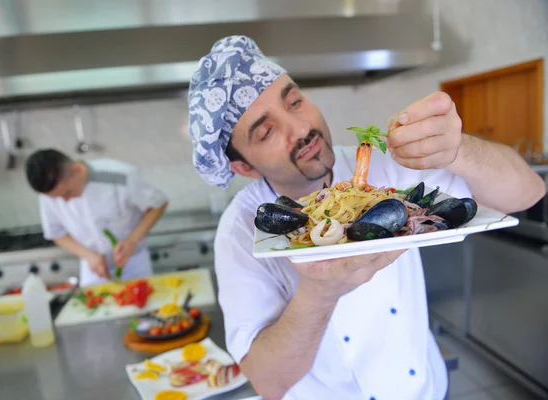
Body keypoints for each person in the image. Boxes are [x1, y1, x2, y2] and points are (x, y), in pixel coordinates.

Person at [187, 36, 545, 400]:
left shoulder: (388, 165)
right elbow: (269, 383)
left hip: (426, 390)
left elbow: (527, 192)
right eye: (266, 131)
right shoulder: (239, 231)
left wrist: (459, 149)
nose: (299, 128)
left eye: (294, 101)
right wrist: (319, 292)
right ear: (244, 166)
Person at [25, 149, 168, 287]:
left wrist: (132, 240)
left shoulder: (119, 175)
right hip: (93, 267)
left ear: (77, 169)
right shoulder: (48, 193)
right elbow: (57, 234)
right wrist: (89, 256)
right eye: (58, 198)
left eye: (67, 193)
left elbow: (158, 204)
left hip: (134, 262)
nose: (66, 200)